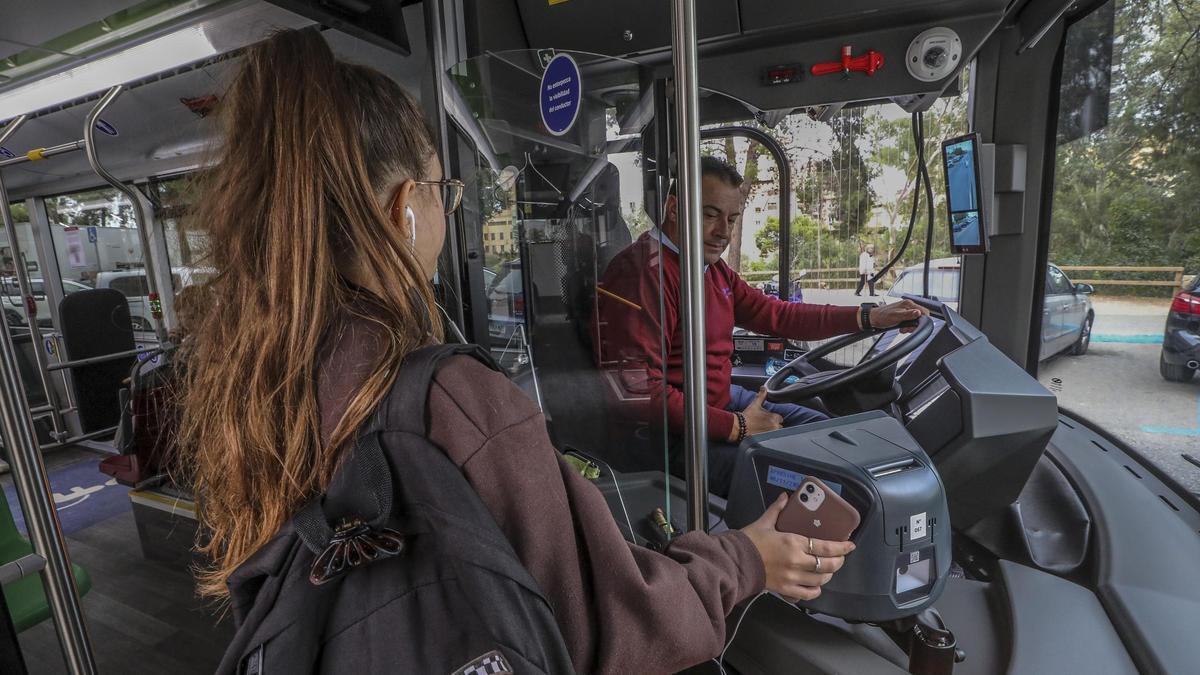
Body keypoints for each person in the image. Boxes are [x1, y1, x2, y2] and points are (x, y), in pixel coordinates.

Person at [175, 30, 855, 674]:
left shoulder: (258, 367)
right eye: (447, 192)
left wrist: (864, 314)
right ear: (406, 207)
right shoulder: (454, 402)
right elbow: (608, 621)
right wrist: (746, 557)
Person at [595, 157, 925, 496]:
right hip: (669, 440)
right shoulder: (643, 274)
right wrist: (737, 427)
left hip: (718, 407)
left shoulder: (708, 268)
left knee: (831, 437)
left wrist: (869, 317)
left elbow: (778, 315)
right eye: (710, 215)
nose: (724, 231)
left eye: (732, 219)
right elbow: (640, 394)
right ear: (675, 209)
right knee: (823, 482)